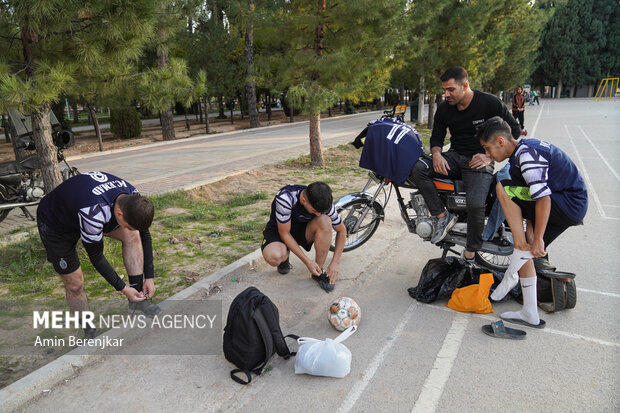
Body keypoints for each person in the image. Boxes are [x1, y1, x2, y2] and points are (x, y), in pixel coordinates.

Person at [477, 116, 588, 327]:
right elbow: (529, 196)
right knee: (526, 251)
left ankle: (513, 268)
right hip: (564, 203)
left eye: (487, 148)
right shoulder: (520, 154)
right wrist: (530, 233)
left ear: (500, 141)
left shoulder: (526, 155)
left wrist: (538, 238)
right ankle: (529, 312)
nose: (487, 155)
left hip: (567, 202)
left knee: (503, 187)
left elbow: (542, 197)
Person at [410, 66, 521, 263]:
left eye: (451, 89)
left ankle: (471, 252)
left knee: (476, 204)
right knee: (418, 168)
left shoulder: (489, 103)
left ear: (465, 85)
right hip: (453, 157)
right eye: (444, 90)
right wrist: (436, 154)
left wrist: (490, 157)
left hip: (479, 162)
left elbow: (514, 130)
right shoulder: (445, 108)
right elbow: (437, 136)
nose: (446, 94)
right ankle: (442, 216)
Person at [37, 171, 160, 338]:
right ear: (119, 214)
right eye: (129, 225)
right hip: (56, 225)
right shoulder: (93, 212)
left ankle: (137, 301)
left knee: (133, 235)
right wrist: (123, 288)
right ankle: (89, 330)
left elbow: (144, 234)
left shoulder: (133, 196)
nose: (130, 228)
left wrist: (150, 277)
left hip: (84, 207)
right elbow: (96, 256)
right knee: (74, 284)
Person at [261, 182, 346, 292]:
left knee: (325, 221)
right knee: (275, 257)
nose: (318, 214)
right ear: (303, 200)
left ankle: (318, 271)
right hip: (280, 230)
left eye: (321, 211)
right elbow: (285, 234)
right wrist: (307, 262)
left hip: (303, 230)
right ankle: (284, 256)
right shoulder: (285, 198)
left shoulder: (323, 203)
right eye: (315, 211)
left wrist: (335, 262)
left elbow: (342, 230)